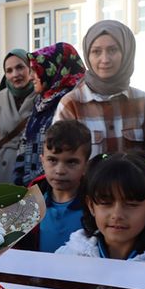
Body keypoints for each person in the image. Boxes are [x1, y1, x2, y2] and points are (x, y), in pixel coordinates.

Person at [53, 20, 145, 158]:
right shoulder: (71, 104)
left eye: (112, 50)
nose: (105, 59)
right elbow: (61, 161)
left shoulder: (142, 102)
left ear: (126, 52)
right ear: (87, 56)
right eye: (96, 51)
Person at [56, 152, 145, 262]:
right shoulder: (67, 257)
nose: (117, 215)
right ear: (91, 205)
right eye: (106, 203)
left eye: (131, 204)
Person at [13, 42, 86, 186]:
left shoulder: (70, 104)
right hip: (30, 188)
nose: (31, 77)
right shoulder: (41, 102)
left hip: (53, 189)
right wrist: (19, 183)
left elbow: (63, 153)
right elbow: (24, 144)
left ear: (54, 69)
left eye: (36, 70)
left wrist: (32, 181)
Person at [16, 120, 91, 253]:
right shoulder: (29, 201)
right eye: (52, 160)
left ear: (86, 165)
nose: (60, 170)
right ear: (42, 161)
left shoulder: (95, 206)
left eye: (71, 162)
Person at [0, 49, 37, 184]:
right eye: (9, 70)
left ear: (30, 68)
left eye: (20, 67)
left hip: (33, 168)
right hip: (3, 169)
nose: (15, 74)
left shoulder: (40, 96)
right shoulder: (1, 98)